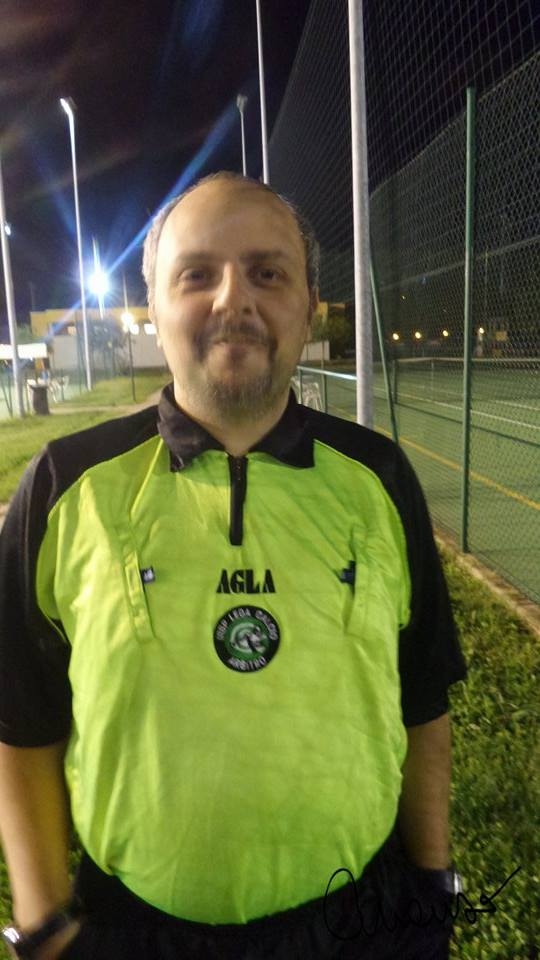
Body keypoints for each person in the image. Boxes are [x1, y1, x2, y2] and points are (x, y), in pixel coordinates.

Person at [0, 171, 466, 960]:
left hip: (358, 924)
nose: (233, 299)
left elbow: (421, 700)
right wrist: (45, 926)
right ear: (153, 306)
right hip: (134, 931)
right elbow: (19, 716)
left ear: (309, 305)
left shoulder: (379, 478)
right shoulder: (64, 485)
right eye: (196, 275)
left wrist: (431, 887)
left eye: (267, 272)